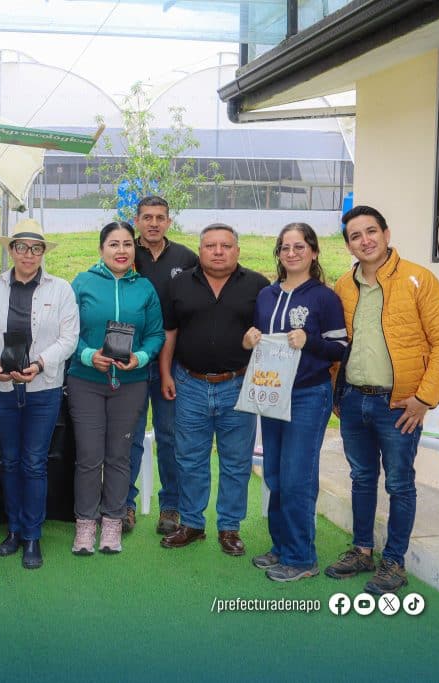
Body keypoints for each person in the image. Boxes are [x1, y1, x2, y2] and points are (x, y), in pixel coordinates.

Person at [325, 205, 439, 595]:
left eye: (371, 231)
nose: (364, 240)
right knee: (362, 478)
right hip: (353, 400)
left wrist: (424, 399)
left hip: (399, 405)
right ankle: (362, 550)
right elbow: (338, 344)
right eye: (355, 235)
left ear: (386, 233)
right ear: (348, 244)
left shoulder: (419, 278)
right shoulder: (343, 286)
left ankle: (394, 561)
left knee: (399, 483)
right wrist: (338, 391)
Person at [0, 219, 78, 569]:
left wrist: (41, 363)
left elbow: (69, 338)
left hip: (42, 389)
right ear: (10, 250)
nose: (28, 254)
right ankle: (13, 530)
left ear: (43, 253)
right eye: (21, 247)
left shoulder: (60, 290)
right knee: (11, 461)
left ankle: (32, 535)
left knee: (33, 463)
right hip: (0, 388)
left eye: (35, 248)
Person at [242, 223, 347, 582]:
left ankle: (302, 558)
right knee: (274, 473)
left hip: (308, 394)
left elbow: (340, 348)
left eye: (299, 246)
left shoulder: (324, 298)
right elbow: (263, 340)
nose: (292, 253)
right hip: (272, 391)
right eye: (285, 247)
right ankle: (282, 547)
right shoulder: (267, 295)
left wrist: (311, 340)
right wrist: (251, 338)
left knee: (298, 476)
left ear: (314, 252)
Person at [159, 224, 269, 556]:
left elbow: (267, 337)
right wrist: (165, 374)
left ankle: (229, 528)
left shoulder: (258, 286)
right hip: (189, 384)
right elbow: (170, 333)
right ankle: (191, 523)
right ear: (200, 249)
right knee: (190, 459)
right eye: (210, 245)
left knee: (236, 462)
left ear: (237, 250)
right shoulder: (179, 284)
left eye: (225, 245)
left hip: (237, 385)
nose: (218, 251)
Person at [67, 221, 164, 555]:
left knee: (120, 455)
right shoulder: (82, 284)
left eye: (126, 244)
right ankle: (85, 524)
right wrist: (87, 354)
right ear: (101, 249)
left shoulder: (145, 289)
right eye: (113, 244)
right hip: (86, 382)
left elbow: (156, 334)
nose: (121, 251)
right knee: (89, 457)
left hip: (131, 384)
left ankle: (113, 522)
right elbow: (67, 332)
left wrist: (140, 356)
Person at [127, 196, 198, 535]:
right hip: (131, 363)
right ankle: (124, 505)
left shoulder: (186, 258)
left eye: (160, 217)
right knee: (130, 436)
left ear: (169, 221)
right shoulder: (126, 252)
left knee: (170, 437)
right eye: (147, 217)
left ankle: (171, 507)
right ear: (137, 221)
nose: (153, 223)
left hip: (173, 366)